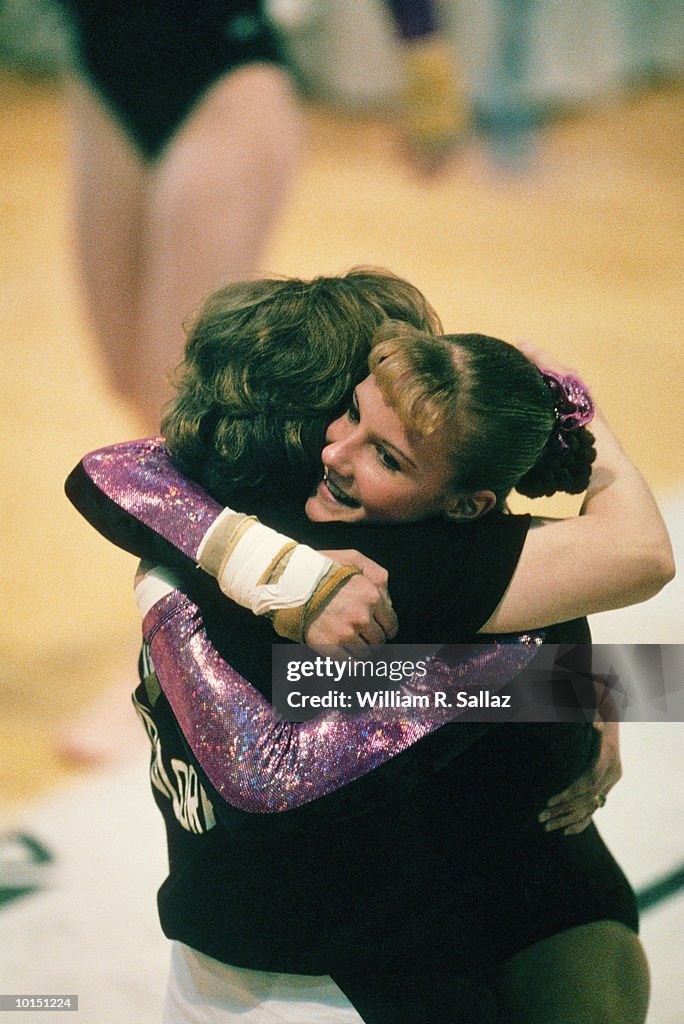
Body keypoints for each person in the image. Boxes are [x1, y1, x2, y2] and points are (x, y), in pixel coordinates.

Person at [67, 274, 673, 1023]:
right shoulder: (385, 560)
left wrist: (171, 589)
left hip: (453, 916)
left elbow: (109, 468)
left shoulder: (226, 510)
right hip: (432, 920)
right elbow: (642, 577)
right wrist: (575, 411)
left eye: (388, 454)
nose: (341, 451)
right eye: (350, 412)